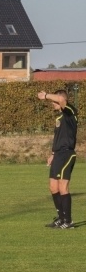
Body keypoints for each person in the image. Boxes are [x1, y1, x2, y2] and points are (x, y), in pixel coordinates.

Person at [38, 89, 78, 229]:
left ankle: (68, 221)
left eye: (54, 101)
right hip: (58, 154)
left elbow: (61, 100)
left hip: (67, 154)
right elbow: (58, 139)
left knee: (63, 187)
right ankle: (60, 219)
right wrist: (53, 154)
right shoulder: (59, 118)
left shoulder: (70, 112)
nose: (52, 103)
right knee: (53, 187)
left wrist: (46, 96)